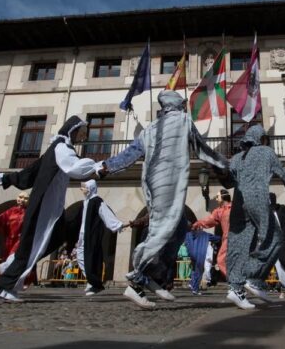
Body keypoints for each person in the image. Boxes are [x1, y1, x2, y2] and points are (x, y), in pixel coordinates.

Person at [98, 90, 228, 309]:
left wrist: (107, 166)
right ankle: (137, 280)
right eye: (182, 102)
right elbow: (202, 148)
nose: (184, 105)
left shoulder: (149, 128)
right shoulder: (183, 120)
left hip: (151, 183)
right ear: (177, 105)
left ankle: (155, 278)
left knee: (177, 231)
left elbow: (130, 154)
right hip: (167, 183)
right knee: (162, 229)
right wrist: (226, 165)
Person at [0, 116, 99, 302]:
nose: (83, 138)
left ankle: (11, 267)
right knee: (32, 244)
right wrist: (98, 165)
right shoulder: (62, 148)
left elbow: (30, 172)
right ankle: (7, 285)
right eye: (81, 134)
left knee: (55, 237)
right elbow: (74, 168)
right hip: (44, 206)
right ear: (72, 131)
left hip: (52, 207)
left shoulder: (57, 148)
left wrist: (7, 179)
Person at [219, 125, 285, 310]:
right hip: (256, 198)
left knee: (239, 244)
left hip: (239, 203)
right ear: (261, 139)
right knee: (274, 237)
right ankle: (253, 277)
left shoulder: (237, 158)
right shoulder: (266, 152)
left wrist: (219, 168)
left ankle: (235, 288)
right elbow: (284, 173)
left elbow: (228, 181)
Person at [76, 180, 127, 296]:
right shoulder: (86, 201)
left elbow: (105, 213)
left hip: (91, 234)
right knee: (80, 256)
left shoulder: (96, 201)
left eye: (84, 188)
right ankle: (91, 279)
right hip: (83, 233)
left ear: (90, 188)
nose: (82, 190)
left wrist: (117, 224)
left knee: (90, 257)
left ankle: (94, 283)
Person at [191, 189, 232, 277]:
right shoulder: (219, 211)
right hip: (228, 238)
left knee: (227, 260)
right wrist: (198, 223)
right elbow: (209, 220)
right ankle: (235, 282)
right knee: (221, 260)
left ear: (223, 197)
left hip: (238, 238)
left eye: (217, 197)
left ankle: (239, 281)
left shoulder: (234, 207)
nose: (216, 199)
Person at [185, 229, 220, 295]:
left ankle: (192, 285)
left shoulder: (188, 234)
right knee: (198, 272)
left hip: (193, 254)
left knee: (194, 270)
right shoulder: (204, 234)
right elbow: (216, 238)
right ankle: (195, 288)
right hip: (201, 254)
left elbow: (187, 244)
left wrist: (190, 253)